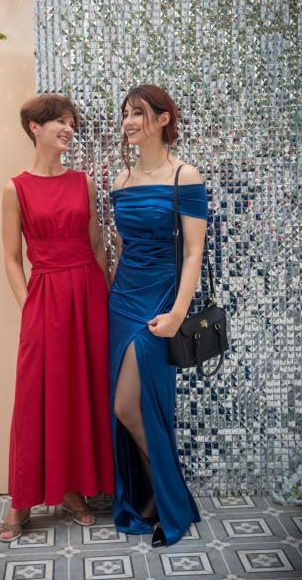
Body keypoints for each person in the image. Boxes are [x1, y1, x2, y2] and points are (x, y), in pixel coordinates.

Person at [0, 93, 114, 542]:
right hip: (44, 297)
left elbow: (97, 246)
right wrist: (27, 304)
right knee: (35, 397)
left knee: (79, 393)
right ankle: (21, 500)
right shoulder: (15, 188)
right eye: (60, 122)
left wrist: (104, 298)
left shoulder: (83, 182)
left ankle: (72, 490)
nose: (68, 129)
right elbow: (12, 259)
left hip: (88, 294)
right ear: (35, 127)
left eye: (71, 123)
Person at [109, 84, 208, 547]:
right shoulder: (121, 180)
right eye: (126, 114)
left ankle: (171, 499)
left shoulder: (185, 175)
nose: (129, 122)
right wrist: (110, 295)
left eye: (138, 113)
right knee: (129, 409)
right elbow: (123, 248)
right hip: (121, 302)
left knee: (130, 406)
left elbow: (194, 253)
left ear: (164, 119)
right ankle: (156, 498)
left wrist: (177, 313)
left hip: (159, 303)